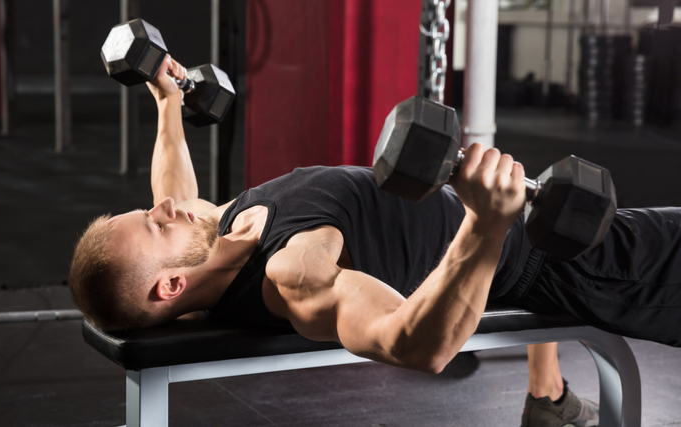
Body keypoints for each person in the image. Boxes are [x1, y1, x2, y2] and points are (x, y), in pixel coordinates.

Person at [70, 56, 679, 425]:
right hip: (562, 264)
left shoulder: (218, 226)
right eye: (156, 223)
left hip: (526, 221)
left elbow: (173, 189)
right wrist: (486, 225)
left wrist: (169, 107)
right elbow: (414, 345)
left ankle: (547, 399)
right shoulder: (297, 273)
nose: (167, 207)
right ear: (172, 284)